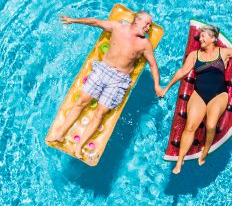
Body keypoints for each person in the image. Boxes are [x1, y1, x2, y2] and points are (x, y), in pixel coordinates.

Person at [46, 10, 163, 159]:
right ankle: (60, 134)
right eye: (147, 24)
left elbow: (153, 65)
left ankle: (79, 147)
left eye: (150, 26)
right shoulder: (117, 27)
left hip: (119, 80)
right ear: (137, 20)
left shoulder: (144, 44)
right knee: (81, 101)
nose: (148, 28)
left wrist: (157, 86)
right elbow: (95, 22)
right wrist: (73, 20)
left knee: (100, 112)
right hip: (102, 70)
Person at [161, 25, 232, 174]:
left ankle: (205, 151)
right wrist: (166, 88)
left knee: (211, 125)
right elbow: (182, 71)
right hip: (199, 93)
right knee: (189, 126)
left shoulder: (224, 53)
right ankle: (180, 160)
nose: (200, 38)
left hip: (219, 94)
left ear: (213, 39)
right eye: (200, 36)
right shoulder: (194, 55)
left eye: (203, 36)